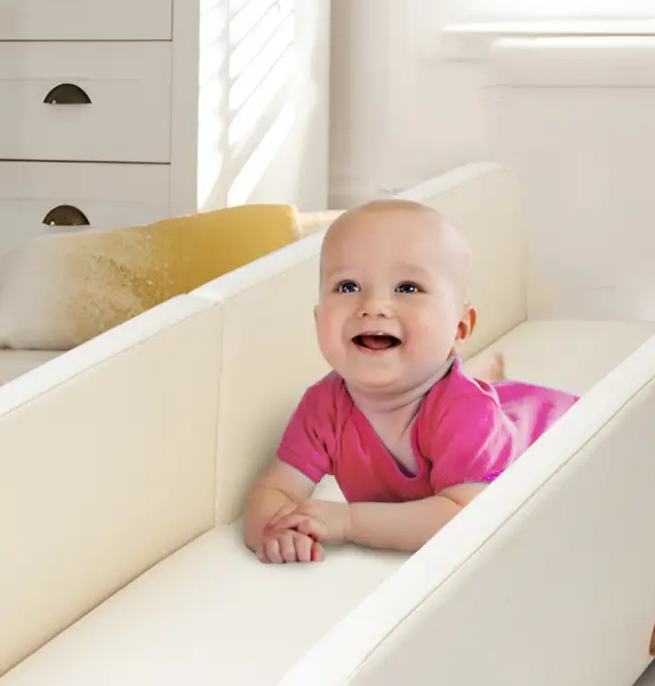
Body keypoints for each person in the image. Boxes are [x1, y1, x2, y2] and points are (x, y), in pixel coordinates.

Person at [243, 200, 575, 562]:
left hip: (561, 433)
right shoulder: (325, 405)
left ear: (459, 328)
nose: (373, 306)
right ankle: (489, 375)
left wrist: (350, 521)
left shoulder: (465, 413)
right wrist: (276, 532)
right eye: (348, 286)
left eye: (408, 288)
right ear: (318, 316)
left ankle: (490, 379)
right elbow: (275, 489)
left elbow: (466, 518)